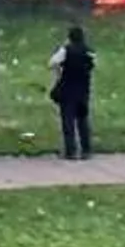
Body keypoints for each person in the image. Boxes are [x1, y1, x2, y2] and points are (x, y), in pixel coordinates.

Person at [53, 22, 96, 160]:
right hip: (83, 91)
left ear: (69, 37)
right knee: (83, 121)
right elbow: (93, 65)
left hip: (67, 90)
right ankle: (86, 150)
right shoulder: (89, 51)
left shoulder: (66, 50)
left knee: (68, 122)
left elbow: (52, 62)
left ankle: (70, 151)